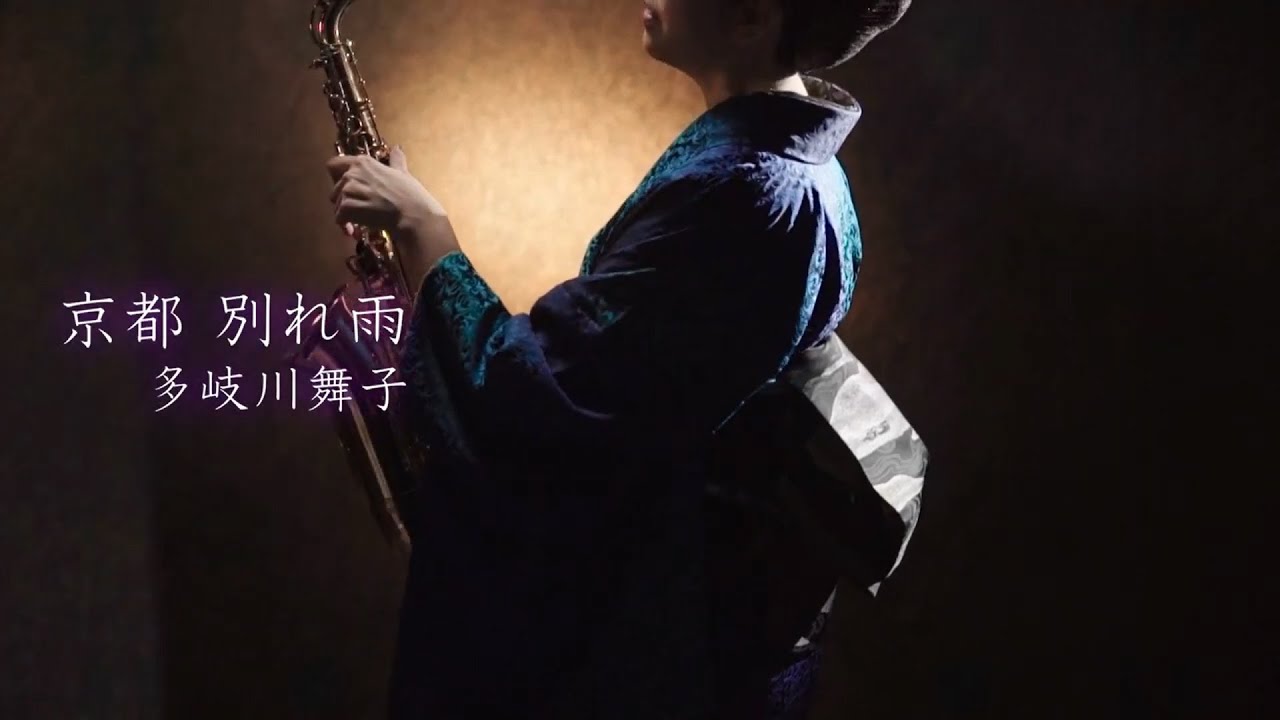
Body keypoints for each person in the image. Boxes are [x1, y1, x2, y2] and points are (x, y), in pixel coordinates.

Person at [325, 1, 912, 717]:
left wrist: (424, 229)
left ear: (754, 18)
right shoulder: (797, 171)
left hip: (648, 644)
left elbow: (542, 403)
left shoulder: (747, 193)